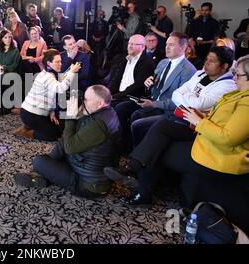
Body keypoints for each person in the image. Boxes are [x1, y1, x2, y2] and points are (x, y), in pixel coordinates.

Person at [105, 55, 249, 213]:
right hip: (207, 137)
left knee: (158, 147)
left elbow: (228, 138)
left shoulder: (243, 98)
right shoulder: (236, 93)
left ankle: (140, 184)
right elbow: (179, 95)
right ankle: (135, 170)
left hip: (219, 154)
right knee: (163, 127)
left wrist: (200, 122)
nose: (234, 77)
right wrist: (204, 117)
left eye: (238, 74)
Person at [14, 85, 121, 198]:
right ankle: (45, 174)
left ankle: (43, 175)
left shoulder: (98, 125)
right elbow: (75, 134)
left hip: (88, 185)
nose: (83, 102)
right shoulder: (109, 113)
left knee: (39, 161)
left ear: (100, 103)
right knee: (63, 143)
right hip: (90, 169)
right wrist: (81, 113)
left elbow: (70, 148)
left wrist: (70, 116)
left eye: (86, 99)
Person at [114, 32, 197, 154]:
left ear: (183, 47)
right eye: (167, 44)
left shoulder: (189, 71)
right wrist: (148, 84)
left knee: (137, 115)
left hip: (167, 109)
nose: (166, 47)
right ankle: (123, 149)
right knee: (122, 107)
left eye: (171, 45)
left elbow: (180, 102)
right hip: (151, 100)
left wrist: (153, 104)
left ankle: (135, 154)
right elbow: (152, 88)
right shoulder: (163, 63)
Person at [14, 49, 81, 141]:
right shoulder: (47, 76)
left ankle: (30, 126)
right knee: (52, 136)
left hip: (37, 112)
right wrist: (72, 72)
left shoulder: (49, 73)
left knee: (57, 130)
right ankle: (26, 132)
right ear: (49, 63)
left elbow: (51, 95)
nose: (60, 64)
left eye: (60, 61)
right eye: (57, 62)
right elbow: (60, 89)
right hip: (32, 114)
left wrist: (51, 112)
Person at [107, 34, 155, 103]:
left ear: (142, 47)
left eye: (134, 44)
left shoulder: (147, 62)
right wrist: (107, 93)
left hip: (132, 98)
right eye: (129, 43)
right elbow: (116, 79)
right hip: (119, 95)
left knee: (118, 107)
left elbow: (137, 86)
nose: (130, 46)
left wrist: (115, 97)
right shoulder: (124, 58)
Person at [0, 29, 21, 118]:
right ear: (2, 39)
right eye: (5, 37)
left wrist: (3, 67)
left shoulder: (15, 51)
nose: (8, 39)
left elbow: (14, 66)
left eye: (9, 37)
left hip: (11, 74)